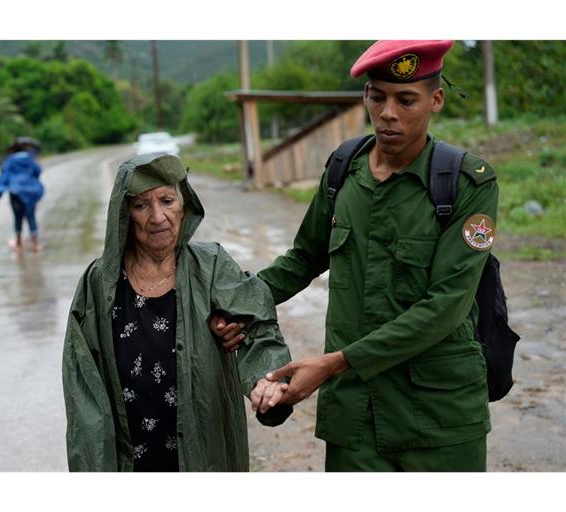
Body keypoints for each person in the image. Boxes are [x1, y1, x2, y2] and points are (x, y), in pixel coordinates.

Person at [212, 40, 498, 471]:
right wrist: (233, 306)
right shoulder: (344, 169)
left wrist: (334, 365)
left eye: (406, 100)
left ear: (436, 99)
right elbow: (303, 259)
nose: (388, 113)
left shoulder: (466, 183)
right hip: (355, 417)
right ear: (366, 96)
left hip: (440, 418)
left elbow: (446, 306)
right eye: (377, 97)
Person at [62, 153, 293, 471]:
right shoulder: (99, 283)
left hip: (202, 449)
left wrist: (266, 381)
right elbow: (82, 384)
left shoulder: (211, 265)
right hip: (128, 456)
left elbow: (257, 325)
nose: (158, 217)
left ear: (184, 207)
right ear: (124, 214)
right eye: (141, 205)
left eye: (167, 201)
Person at [0, 136, 45, 252]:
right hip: (30, 192)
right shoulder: (30, 158)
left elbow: (3, 177)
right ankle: (36, 244)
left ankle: (19, 243)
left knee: (17, 218)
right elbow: (38, 172)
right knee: (31, 216)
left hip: (15, 193)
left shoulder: (9, 161)